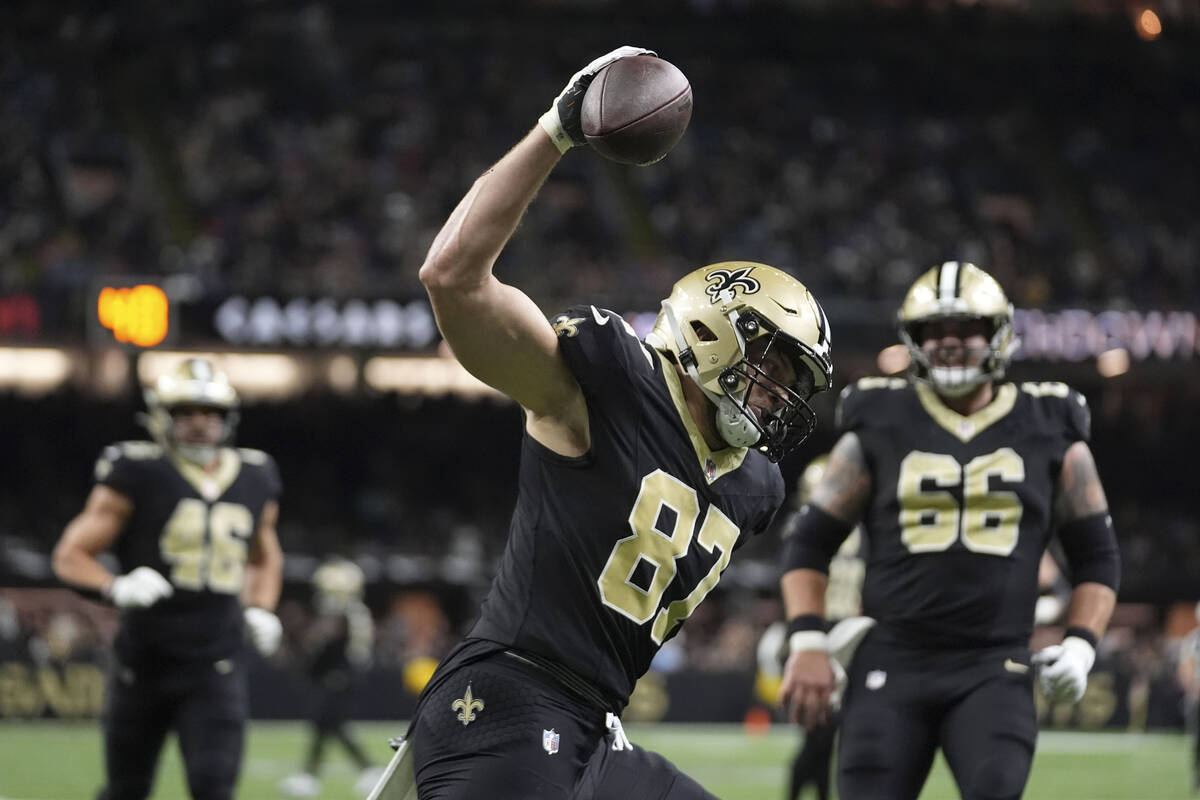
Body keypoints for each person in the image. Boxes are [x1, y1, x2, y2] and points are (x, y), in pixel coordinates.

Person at [372, 45, 834, 800]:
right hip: (506, 700)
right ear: (711, 334)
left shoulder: (753, 485)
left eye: (792, 383)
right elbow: (450, 277)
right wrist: (557, 129)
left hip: (595, 726)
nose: (779, 396)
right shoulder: (610, 384)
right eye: (773, 368)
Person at [777, 261, 1120, 800]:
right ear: (913, 340)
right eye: (933, 331)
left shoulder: (1049, 423)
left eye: (966, 328)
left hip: (994, 664)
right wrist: (807, 638)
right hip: (891, 658)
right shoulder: (880, 418)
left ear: (997, 334)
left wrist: (1081, 645)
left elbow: (1097, 555)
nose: (949, 343)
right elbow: (809, 543)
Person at [52, 357, 285, 800]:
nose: (199, 424)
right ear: (163, 416)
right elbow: (70, 555)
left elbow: (264, 556)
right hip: (143, 662)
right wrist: (113, 586)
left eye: (210, 413)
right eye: (186, 412)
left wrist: (260, 607)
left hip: (216, 662)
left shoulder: (256, 474)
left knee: (214, 788)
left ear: (227, 417)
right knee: (126, 790)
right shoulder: (137, 470)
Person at [761, 453, 865, 800]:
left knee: (830, 731)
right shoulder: (805, 532)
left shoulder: (861, 529)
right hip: (814, 632)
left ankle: (814, 793)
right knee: (819, 730)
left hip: (850, 631)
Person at [280, 557, 382, 798]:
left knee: (328, 725)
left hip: (340, 678)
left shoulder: (348, 615)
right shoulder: (352, 613)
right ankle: (313, 775)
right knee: (326, 727)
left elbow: (344, 650)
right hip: (338, 677)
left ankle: (361, 770)